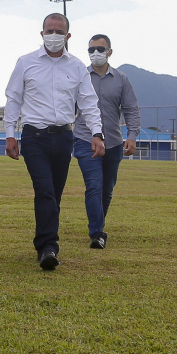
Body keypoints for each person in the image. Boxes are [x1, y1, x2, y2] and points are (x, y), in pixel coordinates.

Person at [4, 13, 105, 271]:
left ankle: (43, 241)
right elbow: (13, 98)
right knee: (45, 190)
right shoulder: (25, 63)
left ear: (68, 36)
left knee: (54, 194)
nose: (54, 36)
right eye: (49, 31)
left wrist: (97, 133)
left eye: (59, 32)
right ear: (41, 34)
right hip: (33, 137)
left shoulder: (77, 67)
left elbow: (88, 103)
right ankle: (49, 247)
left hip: (63, 137)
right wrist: (9, 133)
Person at [73, 34, 140, 249]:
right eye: (91, 49)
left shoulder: (121, 79)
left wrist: (132, 136)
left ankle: (98, 223)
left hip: (113, 142)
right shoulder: (80, 76)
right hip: (85, 139)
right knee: (94, 185)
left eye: (100, 49)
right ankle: (97, 232)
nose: (95, 53)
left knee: (107, 189)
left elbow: (131, 109)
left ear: (109, 51)